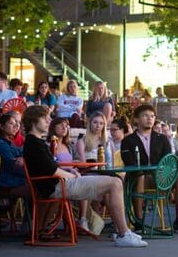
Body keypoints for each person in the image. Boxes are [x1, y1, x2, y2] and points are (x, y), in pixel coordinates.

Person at [21, 105, 147, 247]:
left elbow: (51, 166)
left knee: (115, 182)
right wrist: (72, 176)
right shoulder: (34, 143)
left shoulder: (37, 142)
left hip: (59, 184)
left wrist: (70, 172)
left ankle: (123, 232)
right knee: (115, 183)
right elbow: (52, 170)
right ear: (33, 121)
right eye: (44, 118)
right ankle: (123, 233)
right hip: (58, 186)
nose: (48, 120)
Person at [121, 104, 178, 232]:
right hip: (138, 178)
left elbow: (168, 160)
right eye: (145, 116)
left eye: (152, 116)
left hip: (160, 177)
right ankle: (139, 221)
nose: (149, 119)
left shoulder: (162, 138)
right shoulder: (128, 140)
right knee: (140, 175)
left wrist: (162, 172)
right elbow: (129, 162)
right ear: (136, 120)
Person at [0, 112, 30, 198]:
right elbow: (14, 165)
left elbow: (22, 159)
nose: (16, 126)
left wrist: (23, 159)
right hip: (5, 185)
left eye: (17, 124)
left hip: (15, 181)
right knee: (42, 189)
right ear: (1, 126)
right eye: (11, 123)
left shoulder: (10, 144)